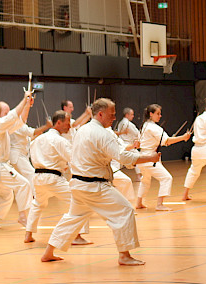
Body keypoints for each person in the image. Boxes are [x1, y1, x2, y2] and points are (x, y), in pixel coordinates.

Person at [41, 98, 160, 266]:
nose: (114, 118)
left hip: (78, 184)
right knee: (125, 210)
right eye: (111, 115)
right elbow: (123, 157)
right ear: (100, 114)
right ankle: (124, 255)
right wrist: (150, 157)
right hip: (93, 185)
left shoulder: (82, 130)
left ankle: (48, 253)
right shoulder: (102, 133)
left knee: (73, 217)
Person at [24, 111, 90, 244]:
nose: (69, 126)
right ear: (58, 123)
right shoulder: (60, 140)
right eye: (67, 123)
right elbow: (73, 159)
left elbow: (42, 157)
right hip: (52, 178)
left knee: (38, 203)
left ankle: (28, 234)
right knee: (78, 201)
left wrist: (59, 165)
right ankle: (77, 236)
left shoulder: (37, 139)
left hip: (38, 177)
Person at [0, 90, 34, 230]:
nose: (8, 114)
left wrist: (27, 105)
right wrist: (23, 100)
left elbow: (19, 122)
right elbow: (12, 117)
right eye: (5, 112)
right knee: (24, 184)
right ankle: (23, 216)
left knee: (6, 196)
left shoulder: (2, 127)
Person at [136, 104, 191, 211]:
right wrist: (183, 137)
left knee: (145, 180)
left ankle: (139, 203)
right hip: (149, 158)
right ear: (151, 114)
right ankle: (160, 204)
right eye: (158, 114)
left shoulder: (144, 126)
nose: (160, 116)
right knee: (166, 178)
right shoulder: (154, 128)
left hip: (142, 158)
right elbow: (167, 141)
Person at [9, 116, 52, 186]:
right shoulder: (17, 124)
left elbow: (28, 139)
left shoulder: (18, 125)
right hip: (18, 157)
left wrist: (37, 134)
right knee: (31, 175)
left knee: (22, 181)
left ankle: (28, 196)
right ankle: (33, 196)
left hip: (19, 156)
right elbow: (32, 131)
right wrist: (47, 126)